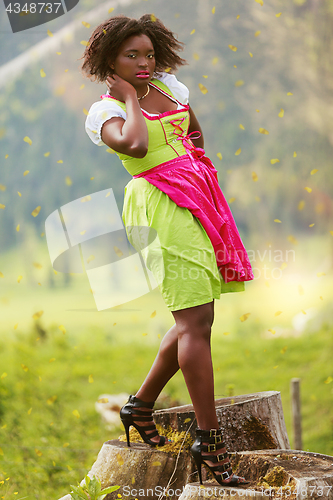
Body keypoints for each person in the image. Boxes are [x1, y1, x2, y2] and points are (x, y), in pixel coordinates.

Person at [82, 14, 254, 486]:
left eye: (148, 54)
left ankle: (139, 406)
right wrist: (132, 98)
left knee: (195, 320)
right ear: (109, 62)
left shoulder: (172, 88)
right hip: (158, 206)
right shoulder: (106, 112)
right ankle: (210, 442)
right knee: (195, 321)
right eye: (130, 56)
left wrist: (192, 167)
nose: (143, 63)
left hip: (197, 199)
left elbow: (194, 132)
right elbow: (136, 146)